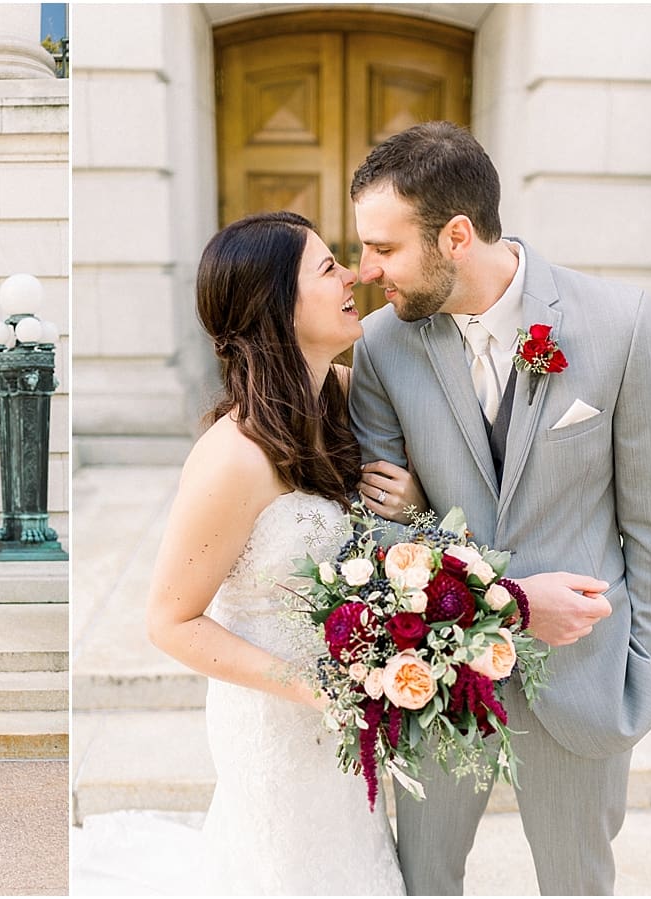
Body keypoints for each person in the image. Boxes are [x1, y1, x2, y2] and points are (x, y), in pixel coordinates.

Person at [348, 120, 651, 895]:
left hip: (583, 677)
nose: (365, 270)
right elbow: (379, 528)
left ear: (455, 235)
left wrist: (647, 673)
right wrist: (511, 598)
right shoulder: (381, 346)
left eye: (384, 249)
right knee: (424, 880)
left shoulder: (619, 323)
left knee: (578, 885)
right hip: (436, 673)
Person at [76, 212, 425, 895]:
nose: (352, 274)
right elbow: (169, 620)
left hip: (350, 716)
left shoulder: (350, 399)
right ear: (276, 304)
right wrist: (312, 686)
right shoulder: (229, 459)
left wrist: (410, 507)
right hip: (275, 723)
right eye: (327, 268)